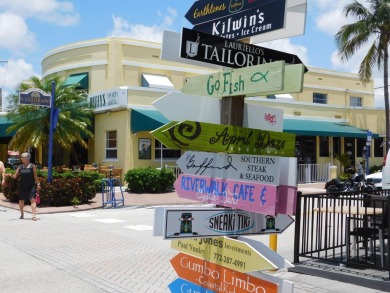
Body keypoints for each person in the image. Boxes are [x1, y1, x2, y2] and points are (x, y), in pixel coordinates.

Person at [13, 152, 40, 221]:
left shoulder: (32, 166)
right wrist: (9, 175)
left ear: (27, 158)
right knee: (21, 200)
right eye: (21, 157)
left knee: (32, 199)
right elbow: (15, 176)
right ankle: (22, 214)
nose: (21, 159)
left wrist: (38, 184)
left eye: (22, 157)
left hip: (31, 186)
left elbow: (35, 176)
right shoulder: (20, 166)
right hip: (23, 186)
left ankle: (34, 215)